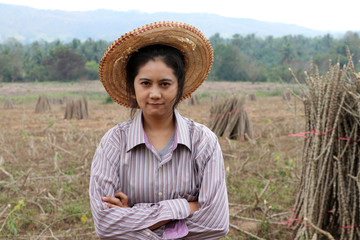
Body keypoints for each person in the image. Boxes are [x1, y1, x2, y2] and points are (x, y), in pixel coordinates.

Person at [89, 21, 229, 239]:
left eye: (165, 84)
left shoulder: (203, 142)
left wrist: (133, 215)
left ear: (179, 85)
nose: (154, 94)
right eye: (145, 83)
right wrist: (186, 206)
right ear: (133, 85)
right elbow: (105, 224)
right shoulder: (114, 142)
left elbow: (216, 223)